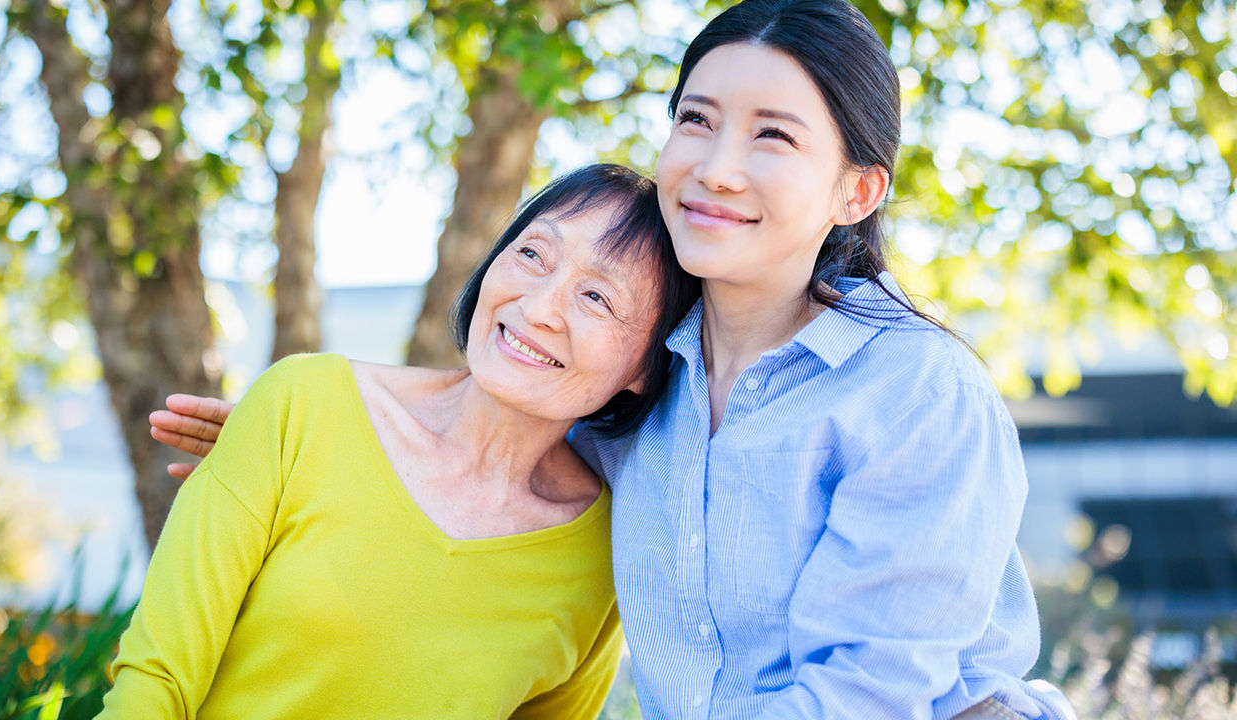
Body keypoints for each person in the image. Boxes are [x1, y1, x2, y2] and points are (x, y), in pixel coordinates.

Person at [150, 1, 1078, 718]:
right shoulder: (639, 384)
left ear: (857, 188)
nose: (716, 166)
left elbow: (867, 696)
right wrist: (312, 450)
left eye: (773, 136)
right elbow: (497, 442)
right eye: (697, 120)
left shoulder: (914, 390)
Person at [98, 164, 699, 719]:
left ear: (651, 364)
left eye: (597, 296)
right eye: (534, 253)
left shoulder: (604, 557)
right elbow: (155, 685)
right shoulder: (300, 404)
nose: (539, 306)